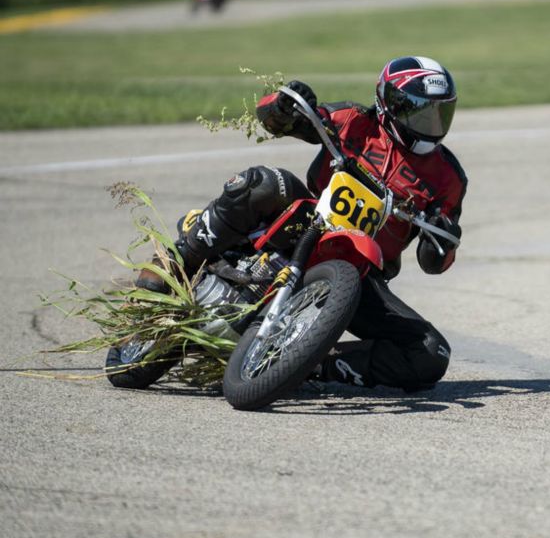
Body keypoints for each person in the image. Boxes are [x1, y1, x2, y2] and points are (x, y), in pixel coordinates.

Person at [138, 56, 467, 392]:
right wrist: (283, 105)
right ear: (390, 103)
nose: (431, 123)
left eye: (440, 113)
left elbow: (435, 263)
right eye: (421, 112)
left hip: (361, 273)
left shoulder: (448, 178)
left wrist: (445, 239)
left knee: (430, 352)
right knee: (263, 182)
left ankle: (310, 364)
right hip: (307, 221)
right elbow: (274, 120)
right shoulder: (353, 120)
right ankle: (176, 261)